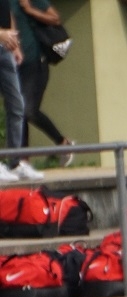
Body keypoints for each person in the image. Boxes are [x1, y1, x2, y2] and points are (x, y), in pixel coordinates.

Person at [13, 0, 73, 167]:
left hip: (36, 63)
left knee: (29, 110)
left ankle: (63, 143)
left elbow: (55, 18)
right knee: (18, 111)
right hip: (15, 66)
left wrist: (29, 9)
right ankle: (23, 161)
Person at [0, 0, 41, 182]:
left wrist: (15, 45)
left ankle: (15, 163)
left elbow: (7, 11)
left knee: (17, 105)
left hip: (5, 49)